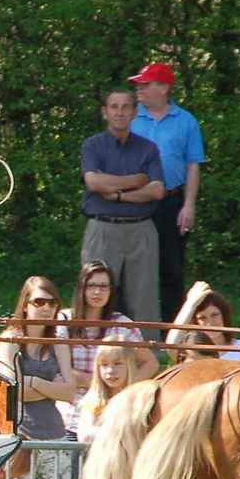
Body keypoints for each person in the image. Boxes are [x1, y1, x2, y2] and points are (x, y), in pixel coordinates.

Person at [128, 62, 206, 320]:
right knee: (135, 268)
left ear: (163, 88)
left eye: (146, 84)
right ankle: (133, 328)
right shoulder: (130, 117)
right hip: (136, 202)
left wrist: (189, 205)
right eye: (139, 84)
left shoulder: (186, 121)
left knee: (172, 270)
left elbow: (193, 164)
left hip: (172, 201)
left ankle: (174, 331)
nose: (139, 89)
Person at [0, 277, 76, 479]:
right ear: (25, 305)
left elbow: (70, 392)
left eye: (53, 303)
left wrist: (35, 383)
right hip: (21, 437)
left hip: (55, 436)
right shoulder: (10, 340)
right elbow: (11, 390)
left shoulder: (58, 342)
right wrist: (52, 386)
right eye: (39, 301)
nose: (46, 308)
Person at [79, 89, 164, 322]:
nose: (120, 112)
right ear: (104, 112)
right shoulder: (92, 146)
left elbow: (157, 190)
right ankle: (89, 350)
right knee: (94, 294)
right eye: (114, 107)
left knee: (144, 300)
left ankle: (149, 355)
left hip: (141, 230)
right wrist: (136, 181)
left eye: (126, 107)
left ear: (135, 113)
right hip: (103, 229)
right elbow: (93, 182)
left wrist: (117, 195)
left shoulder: (148, 148)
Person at [55, 261, 157, 429]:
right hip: (70, 410)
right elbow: (58, 369)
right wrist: (101, 381)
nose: (98, 292)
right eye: (92, 286)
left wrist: (125, 388)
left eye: (104, 286)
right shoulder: (65, 320)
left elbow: (150, 362)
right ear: (82, 288)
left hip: (112, 412)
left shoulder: (122, 324)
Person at [166, 281, 240, 363]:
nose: (210, 323)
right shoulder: (191, 354)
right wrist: (191, 303)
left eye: (214, 315)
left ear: (224, 316)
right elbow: (171, 345)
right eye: (202, 318)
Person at [74, 341, 141, 447]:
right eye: (104, 365)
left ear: (130, 365)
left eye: (118, 363)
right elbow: (85, 434)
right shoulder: (95, 399)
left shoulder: (140, 399)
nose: (110, 370)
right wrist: (122, 434)